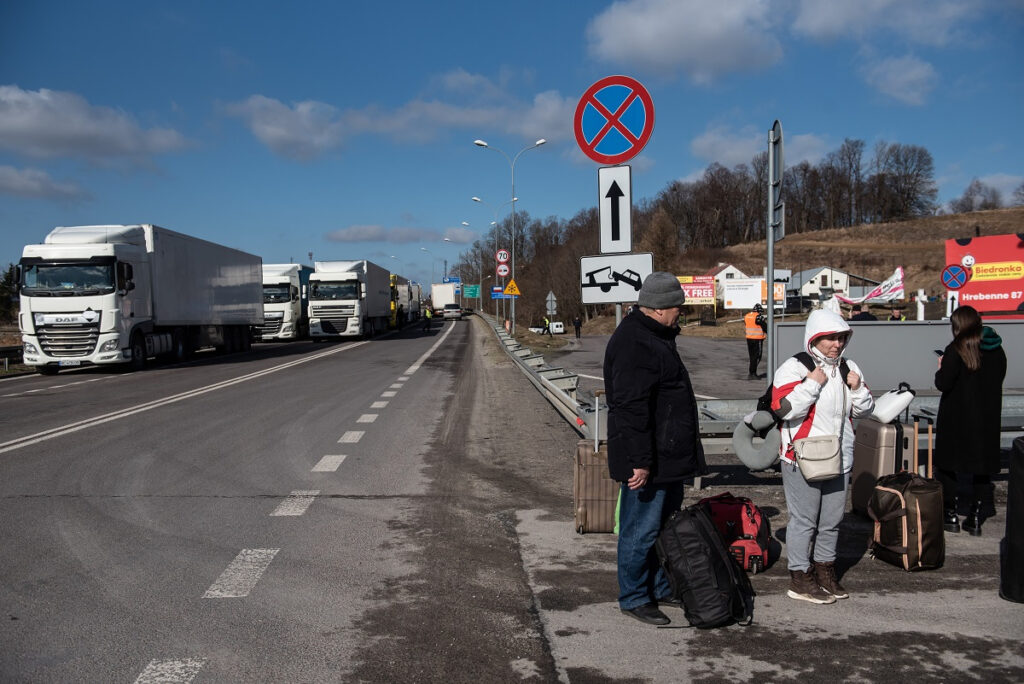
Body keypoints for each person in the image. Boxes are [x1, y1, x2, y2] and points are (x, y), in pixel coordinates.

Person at [604, 272, 707, 626]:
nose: (681, 310)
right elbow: (630, 409)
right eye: (677, 305)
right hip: (648, 460)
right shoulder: (635, 342)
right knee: (640, 531)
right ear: (659, 308)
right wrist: (640, 462)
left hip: (667, 456)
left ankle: (659, 586)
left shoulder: (654, 335)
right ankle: (634, 596)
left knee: (661, 527)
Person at [770, 309, 874, 604]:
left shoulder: (848, 368)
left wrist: (857, 389)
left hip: (840, 456)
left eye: (841, 338)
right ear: (815, 338)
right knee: (804, 521)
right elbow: (785, 409)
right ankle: (800, 578)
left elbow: (865, 410)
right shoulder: (794, 367)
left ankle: (825, 571)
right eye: (830, 338)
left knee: (831, 521)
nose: (837, 344)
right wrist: (813, 383)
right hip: (802, 457)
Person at [934, 305, 1007, 536]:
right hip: (986, 419)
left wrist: (940, 367)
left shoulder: (956, 349)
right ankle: (975, 518)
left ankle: (951, 514)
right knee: (982, 470)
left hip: (957, 418)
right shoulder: (997, 349)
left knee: (947, 466)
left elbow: (943, 383)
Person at [744, 304, 767, 380]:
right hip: (757, 339)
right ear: (759, 311)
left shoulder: (747, 316)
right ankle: (752, 373)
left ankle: (751, 372)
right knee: (757, 357)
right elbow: (765, 327)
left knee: (752, 356)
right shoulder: (759, 317)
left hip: (749, 338)